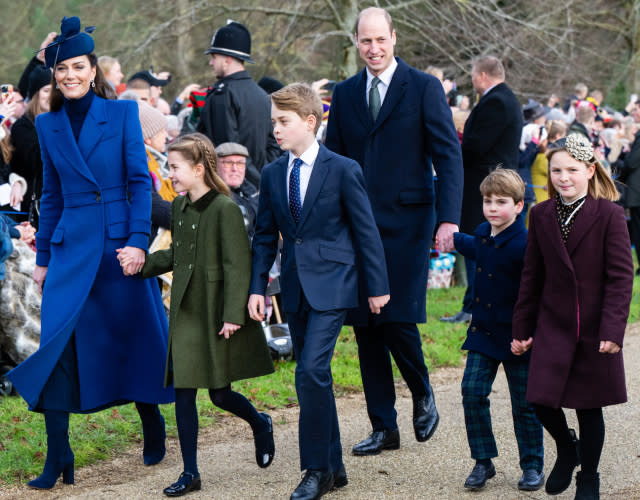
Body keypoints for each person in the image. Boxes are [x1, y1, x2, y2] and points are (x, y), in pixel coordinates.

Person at [7, 16, 174, 489]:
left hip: (119, 249)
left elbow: (140, 184)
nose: (70, 76)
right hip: (69, 251)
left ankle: (152, 420)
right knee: (56, 347)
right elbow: (53, 194)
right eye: (62, 70)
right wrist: (42, 261)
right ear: (54, 75)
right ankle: (59, 454)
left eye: (78, 66)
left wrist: (138, 243)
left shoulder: (123, 114)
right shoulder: (48, 124)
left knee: (136, 337)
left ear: (93, 69)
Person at [325, 7, 463, 456]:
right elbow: (335, 162)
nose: (374, 49)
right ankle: (383, 426)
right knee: (366, 325)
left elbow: (448, 156)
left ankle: (422, 390)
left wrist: (449, 219)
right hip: (357, 226)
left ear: (394, 38)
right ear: (357, 42)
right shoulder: (344, 94)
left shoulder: (423, 87)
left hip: (408, 222)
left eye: (380, 40)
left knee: (397, 316)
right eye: (366, 41)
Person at [249, 83, 390, 500]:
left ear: (310, 122)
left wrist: (377, 286)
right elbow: (263, 236)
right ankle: (336, 466)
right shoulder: (274, 173)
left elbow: (366, 231)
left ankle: (316, 470)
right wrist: (258, 287)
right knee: (316, 377)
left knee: (309, 370)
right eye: (273, 121)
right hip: (294, 286)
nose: (275, 129)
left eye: (284, 121)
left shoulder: (343, 169)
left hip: (335, 284)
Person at [122, 133, 274, 497]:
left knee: (220, 394)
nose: (170, 174)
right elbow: (178, 256)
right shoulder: (179, 207)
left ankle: (260, 422)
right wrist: (141, 260)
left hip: (217, 309)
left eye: (175, 167)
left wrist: (233, 314)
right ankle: (191, 472)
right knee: (185, 391)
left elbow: (238, 264)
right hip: (186, 309)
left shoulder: (224, 208)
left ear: (199, 168)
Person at [511, 134, 633, 499]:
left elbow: (621, 276)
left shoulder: (609, 214)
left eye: (572, 170)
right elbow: (531, 275)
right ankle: (567, 448)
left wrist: (613, 328)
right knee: (539, 398)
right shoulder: (541, 214)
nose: (563, 178)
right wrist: (522, 327)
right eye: (556, 171)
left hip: (594, 327)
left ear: (590, 170)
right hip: (553, 323)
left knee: (587, 406)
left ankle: (589, 476)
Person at [454, 168, 544, 492]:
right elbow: (471, 246)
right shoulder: (482, 233)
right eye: (487, 201)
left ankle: (532, 465)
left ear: (519, 206)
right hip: (483, 333)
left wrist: (530, 334)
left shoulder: (527, 244)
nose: (493, 208)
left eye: (501, 202)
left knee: (525, 403)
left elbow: (538, 292)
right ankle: (483, 461)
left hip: (519, 336)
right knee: (472, 391)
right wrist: (446, 236)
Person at [441, 55, 522, 324]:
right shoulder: (500, 98)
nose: (472, 79)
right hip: (490, 180)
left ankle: (474, 307)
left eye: (474, 74)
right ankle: (470, 305)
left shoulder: (497, 101)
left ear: (484, 76)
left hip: (489, 183)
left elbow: (477, 145)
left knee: (482, 245)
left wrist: (452, 150)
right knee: (482, 244)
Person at [197, 20, 281, 189]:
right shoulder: (262, 95)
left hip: (231, 189)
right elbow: (274, 147)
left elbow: (226, 149)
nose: (211, 63)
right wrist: (261, 182)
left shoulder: (222, 94)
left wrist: (249, 185)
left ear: (227, 60)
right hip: (260, 189)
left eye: (214, 57)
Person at [10, 64, 53, 226]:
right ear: (35, 95)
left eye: (56, 91)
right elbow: (36, 161)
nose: (52, 96)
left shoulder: (61, 121)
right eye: (46, 91)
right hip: (31, 207)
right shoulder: (23, 126)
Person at [215, 142, 259, 239]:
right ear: (215, 166)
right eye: (228, 163)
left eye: (240, 163)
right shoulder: (212, 197)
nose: (234, 169)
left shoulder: (251, 191)